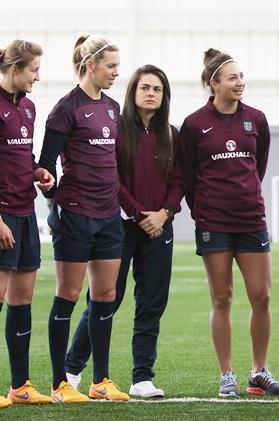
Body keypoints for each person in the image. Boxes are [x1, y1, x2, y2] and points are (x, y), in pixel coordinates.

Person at [63, 65, 181, 398]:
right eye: (145, 87)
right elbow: (110, 178)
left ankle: (142, 378)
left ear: (164, 96)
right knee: (103, 302)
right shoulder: (115, 130)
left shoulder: (172, 134)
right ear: (133, 92)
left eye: (157, 89)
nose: (151, 94)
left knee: (151, 305)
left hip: (160, 228)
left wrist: (164, 213)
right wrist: (138, 213)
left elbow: (180, 180)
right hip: (118, 227)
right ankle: (71, 372)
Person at [176, 49, 279, 398]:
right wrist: (203, 210)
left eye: (242, 77)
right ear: (214, 84)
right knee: (221, 299)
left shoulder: (257, 119)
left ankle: (259, 372)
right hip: (214, 221)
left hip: (251, 218)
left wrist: (244, 194)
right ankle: (227, 375)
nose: (240, 83)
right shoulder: (194, 124)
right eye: (232, 77)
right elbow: (188, 174)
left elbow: (259, 165)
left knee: (262, 297)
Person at [38, 34, 129, 403]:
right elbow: (46, 167)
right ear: (90, 65)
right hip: (75, 214)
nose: (115, 73)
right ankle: (60, 384)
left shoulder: (112, 108)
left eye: (118, 67)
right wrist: (51, 192)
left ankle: (100, 380)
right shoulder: (65, 109)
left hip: (109, 215)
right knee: (68, 295)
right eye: (110, 66)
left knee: (105, 295)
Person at [0, 40, 54, 407]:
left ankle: (20, 386)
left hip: (25, 212)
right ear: (15, 68)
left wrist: (37, 171)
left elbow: (21, 155)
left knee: (22, 299)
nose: (38, 76)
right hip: (2, 216)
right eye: (33, 69)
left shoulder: (30, 108)